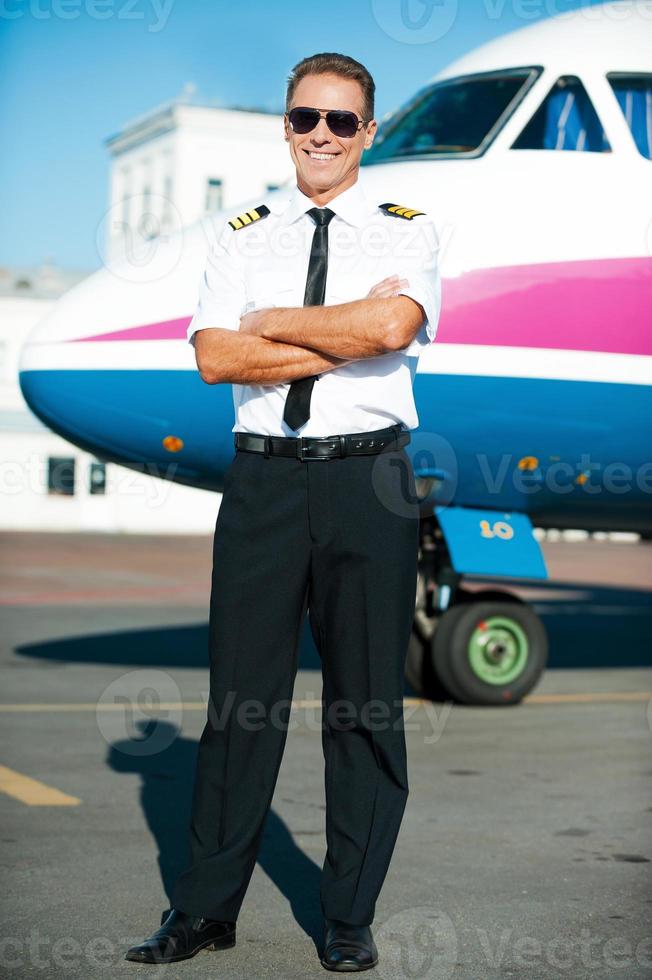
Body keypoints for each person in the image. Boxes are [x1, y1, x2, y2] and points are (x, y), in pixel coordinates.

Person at [125, 51, 441, 972]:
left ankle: (348, 916)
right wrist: (324, 330)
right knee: (240, 707)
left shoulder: (408, 230)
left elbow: (390, 330)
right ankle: (205, 909)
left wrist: (267, 320)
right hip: (263, 483)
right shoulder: (242, 229)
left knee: (366, 707)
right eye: (307, 117)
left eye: (342, 122)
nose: (322, 136)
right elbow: (216, 362)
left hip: (369, 480)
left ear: (368, 133)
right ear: (288, 124)